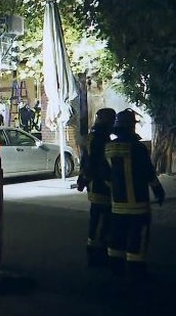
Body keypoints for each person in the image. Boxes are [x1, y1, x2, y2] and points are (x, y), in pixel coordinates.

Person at [105, 108, 166, 280]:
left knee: (117, 236)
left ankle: (115, 269)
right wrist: (158, 190)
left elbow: (108, 174)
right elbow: (148, 173)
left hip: (117, 204)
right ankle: (136, 271)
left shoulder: (109, 147)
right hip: (137, 205)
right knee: (137, 238)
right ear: (132, 127)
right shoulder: (138, 148)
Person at [76, 107, 116, 268]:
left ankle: (93, 249)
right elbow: (95, 162)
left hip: (93, 183)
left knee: (95, 217)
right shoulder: (101, 139)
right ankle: (99, 253)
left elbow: (84, 160)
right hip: (101, 184)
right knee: (104, 218)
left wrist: (82, 178)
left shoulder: (90, 138)